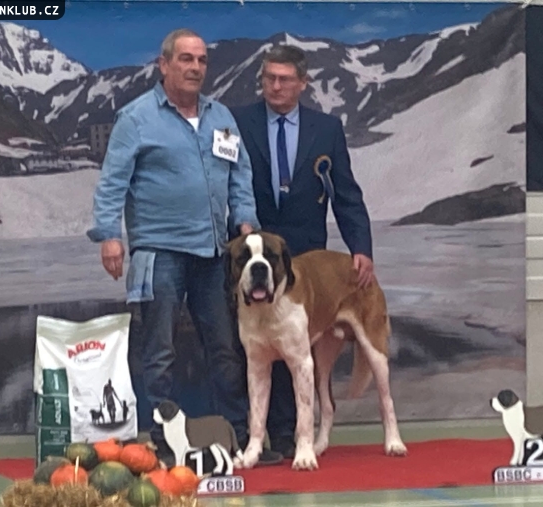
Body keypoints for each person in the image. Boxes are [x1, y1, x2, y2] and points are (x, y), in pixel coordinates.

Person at [87, 28, 282, 466]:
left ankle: (239, 440)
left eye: (201, 60)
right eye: (186, 59)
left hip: (214, 255)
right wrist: (109, 235)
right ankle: (160, 446)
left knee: (226, 348)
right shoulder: (136, 118)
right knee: (160, 353)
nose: (195, 67)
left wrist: (246, 222)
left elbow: (239, 175)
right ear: (164, 65)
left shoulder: (221, 117)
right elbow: (112, 181)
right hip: (159, 253)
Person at [230, 44, 376, 459]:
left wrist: (360, 246)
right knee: (258, 346)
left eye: (285, 79)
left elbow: (346, 194)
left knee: (297, 349)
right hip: (253, 251)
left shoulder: (326, 129)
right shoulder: (236, 122)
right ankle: (259, 437)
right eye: (269, 78)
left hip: (306, 255)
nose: (275, 86)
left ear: (303, 83)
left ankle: (294, 436)